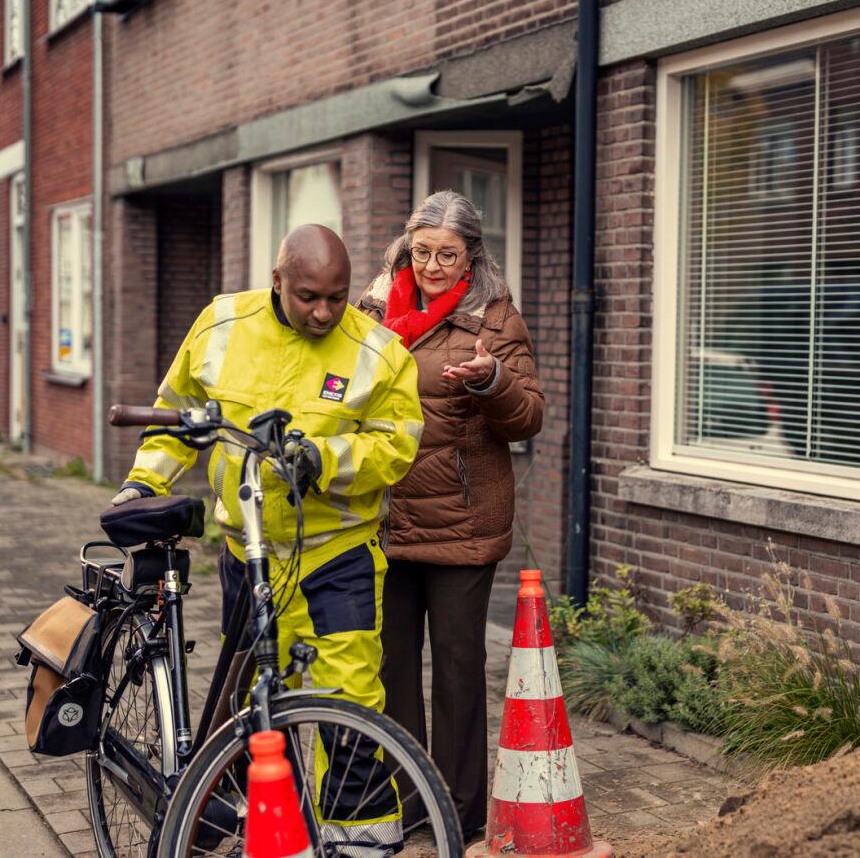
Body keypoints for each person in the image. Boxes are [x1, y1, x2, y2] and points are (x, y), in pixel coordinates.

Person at [111, 224, 423, 849]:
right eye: (308, 295)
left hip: (337, 556)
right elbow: (178, 410)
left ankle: (362, 840)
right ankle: (267, 829)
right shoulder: (221, 326)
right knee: (256, 701)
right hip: (246, 554)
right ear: (277, 279)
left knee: (351, 703)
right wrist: (144, 483)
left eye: (336, 297)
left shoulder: (380, 352)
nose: (324, 312)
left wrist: (324, 459)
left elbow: (398, 444)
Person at [357, 190, 545, 840]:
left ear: (471, 255)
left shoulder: (493, 317)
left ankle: (458, 819)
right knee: (391, 671)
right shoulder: (374, 308)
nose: (433, 265)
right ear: (407, 247)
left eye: (447, 254)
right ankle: (410, 806)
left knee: (458, 674)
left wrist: (493, 380)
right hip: (384, 515)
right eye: (423, 251)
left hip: (463, 522)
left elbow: (529, 415)